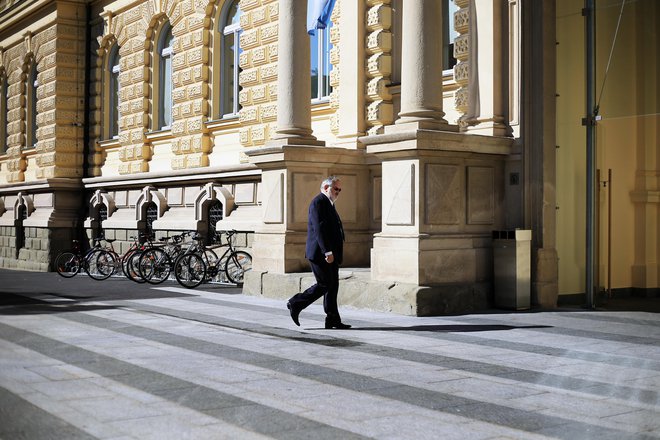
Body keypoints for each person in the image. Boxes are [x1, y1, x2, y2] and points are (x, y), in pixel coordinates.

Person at [287, 176, 351, 329]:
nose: (338, 192)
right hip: (320, 253)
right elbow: (319, 229)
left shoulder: (329, 203)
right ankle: (295, 303)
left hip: (331, 254)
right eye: (336, 189)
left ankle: (333, 319)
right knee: (324, 284)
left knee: (333, 286)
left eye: (340, 190)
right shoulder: (318, 202)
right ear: (326, 187)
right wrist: (327, 251)